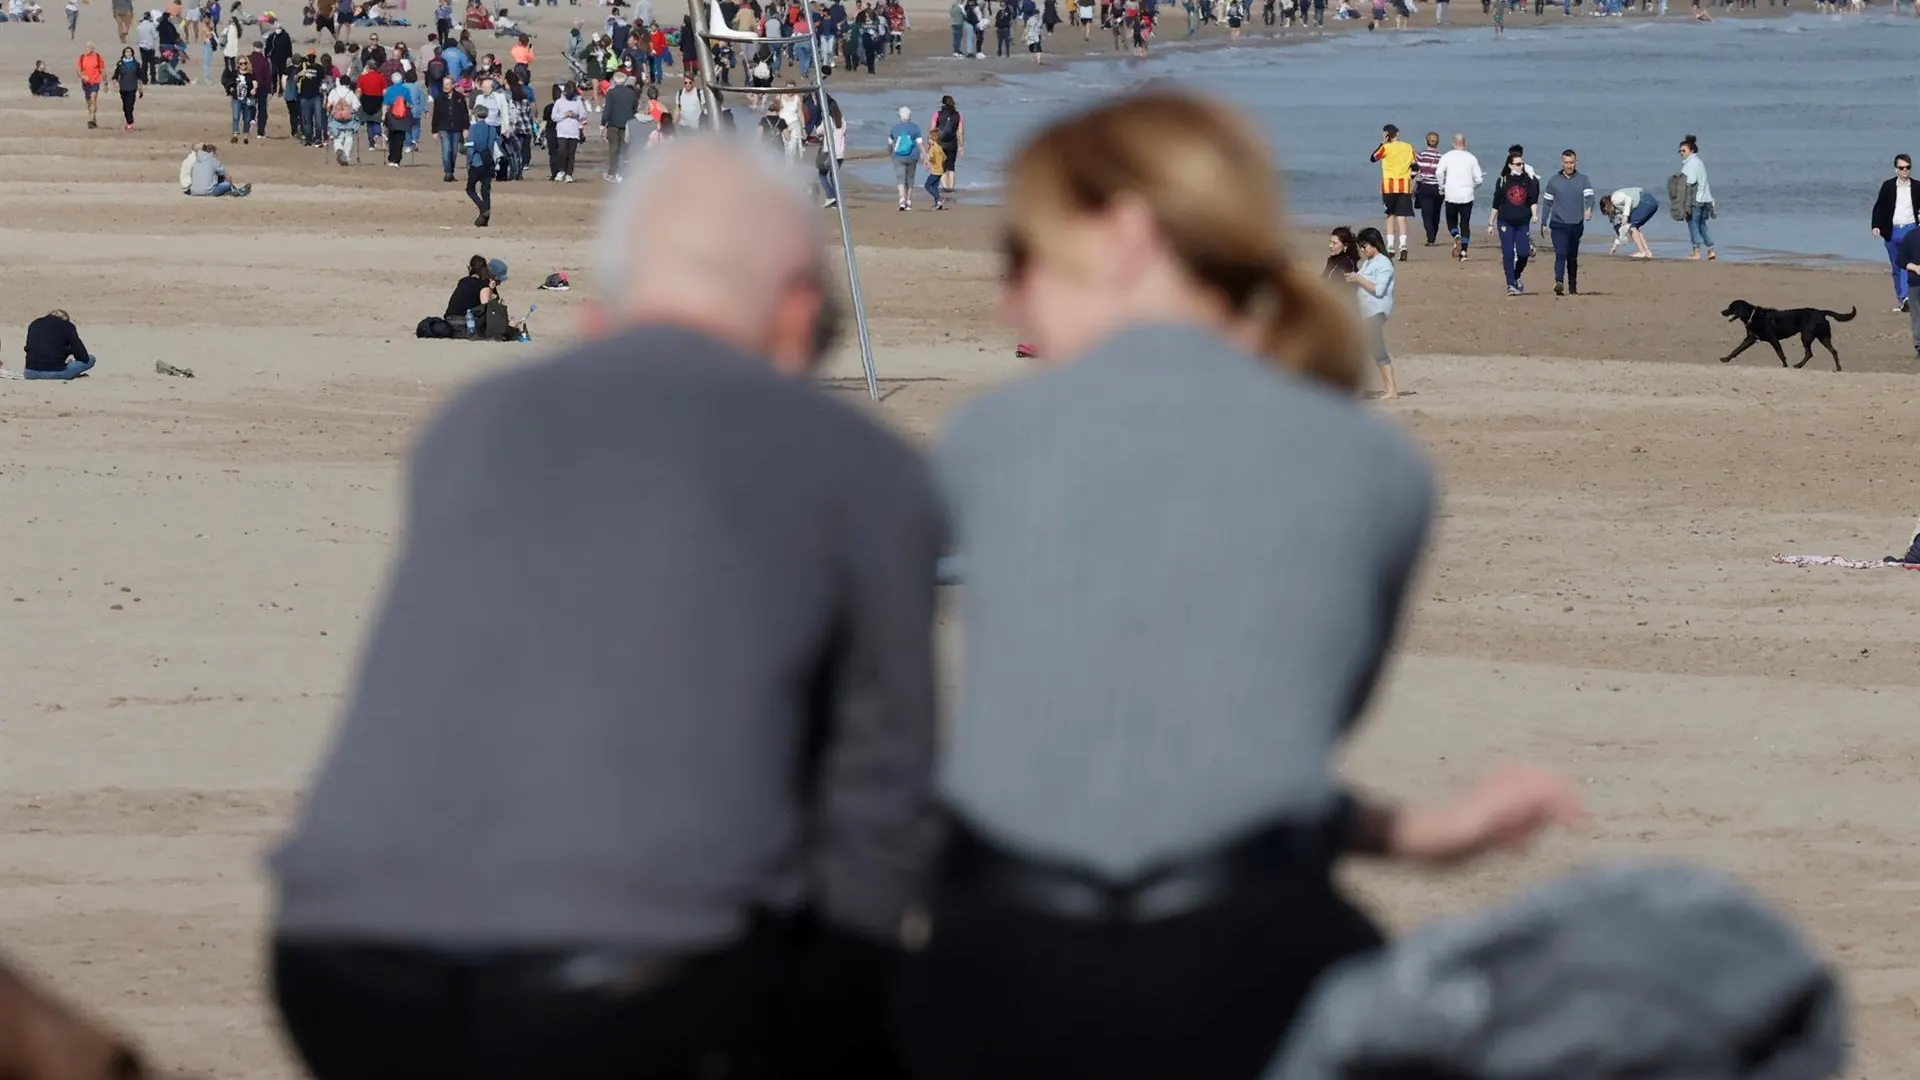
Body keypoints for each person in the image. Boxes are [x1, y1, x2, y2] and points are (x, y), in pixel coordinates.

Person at [893, 91, 1583, 1080]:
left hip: (998, 972)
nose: (1010, 301)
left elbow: (1111, 754)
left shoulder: (986, 445)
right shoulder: (1378, 471)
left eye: (1021, 257)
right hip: (1267, 966)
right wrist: (1419, 833)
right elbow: (1257, 754)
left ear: (1125, 232)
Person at [267, 137, 940, 1080]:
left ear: (597, 316)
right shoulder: (862, 465)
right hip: (621, 983)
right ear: (797, 314)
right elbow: (883, 789)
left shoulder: (475, 425)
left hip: (338, 963)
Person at [1346, 226, 1399, 400]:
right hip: (1366, 312)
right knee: (1377, 350)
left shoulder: (1384, 263)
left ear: (1375, 244)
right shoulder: (1368, 262)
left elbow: (1379, 290)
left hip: (1377, 312)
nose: (1363, 250)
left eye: (1365, 246)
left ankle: (1361, 388)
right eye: (1361, 247)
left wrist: (1357, 279)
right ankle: (1391, 390)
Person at [1539, 147, 1594, 297]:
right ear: (1562, 163)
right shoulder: (1554, 181)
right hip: (1558, 224)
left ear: (1576, 163)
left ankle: (1573, 286)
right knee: (1561, 253)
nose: (1569, 166)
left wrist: (1589, 209)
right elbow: (1547, 203)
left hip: (1576, 224)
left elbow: (1589, 197)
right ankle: (1559, 282)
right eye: (1566, 162)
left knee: (1572, 255)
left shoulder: (1583, 180)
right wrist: (1543, 222)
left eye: (1571, 162)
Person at [1488, 149, 1539, 295]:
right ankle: (1510, 284)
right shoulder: (1503, 181)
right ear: (1510, 165)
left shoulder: (1528, 181)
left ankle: (1516, 275)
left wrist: (1535, 215)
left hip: (1523, 222)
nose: (1521, 166)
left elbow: (1532, 201)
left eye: (1522, 164)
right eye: (1517, 164)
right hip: (1505, 222)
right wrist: (1490, 224)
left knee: (1523, 253)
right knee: (1508, 253)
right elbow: (1496, 203)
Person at [1871, 154, 1917, 312]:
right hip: (1892, 231)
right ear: (1896, 169)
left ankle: (1907, 297)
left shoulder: (1917, 187)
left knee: (1908, 265)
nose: (1905, 170)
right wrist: (1876, 225)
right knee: (1897, 266)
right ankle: (1902, 299)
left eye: (1908, 167)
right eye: (1902, 168)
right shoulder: (1888, 186)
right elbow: (1879, 207)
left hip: (1911, 230)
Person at [1369, 123, 1414, 260]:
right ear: (1398, 134)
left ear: (1386, 134)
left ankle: (1390, 246)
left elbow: (1373, 157)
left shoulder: (1385, 148)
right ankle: (1403, 245)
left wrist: (1382, 143)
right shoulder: (1408, 147)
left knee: (1390, 215)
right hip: (1404, 186)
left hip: (1389, 186)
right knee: (1402, 217)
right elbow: (1415, 164)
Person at [1436, 132, 1482, 262]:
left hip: (1451, 193)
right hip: (1467, 194)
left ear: (1453, 144)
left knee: (1451, 221)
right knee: (1465, 224)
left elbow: (1439, 173)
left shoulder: (1447, 156)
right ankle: (1464, 252)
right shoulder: (1471, 158)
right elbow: (1479, 179)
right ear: (1465, 144)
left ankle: (1456, 236)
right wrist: (1472, 186)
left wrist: (1442, 187)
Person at [20, 310, 96, 381]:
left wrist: (65, 351)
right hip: (55, 373)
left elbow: (28, 348)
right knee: (91, 359)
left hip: (29, 372)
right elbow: (83, 356)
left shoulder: (35, 323)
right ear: (66, 319)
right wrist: (69, 351)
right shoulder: (67, 326)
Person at [1677, 133, 1716, 261]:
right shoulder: (1699, 162)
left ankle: (1696, 251)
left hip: (1695, 200)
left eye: (1684, 150)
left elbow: (1691, 181)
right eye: (1680, 151)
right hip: (1705, 199)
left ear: (1691, 150)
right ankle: (1711, 250)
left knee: (1693, 225)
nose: (1681, 153)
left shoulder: (1691, 164)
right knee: (1702, 226)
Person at [1601, 186, 1659, 260]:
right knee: (1635, 227)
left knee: (1632, 227)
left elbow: (1629, 199)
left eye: (1606, 212)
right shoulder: (1618, 211)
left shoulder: (1615, 198)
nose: (1609, 214)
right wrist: (1614, 246)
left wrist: (1625, 215)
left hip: (1645, 200)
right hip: (1649, 202)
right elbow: (1621, 231)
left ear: (1606, 205)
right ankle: (1647, 252)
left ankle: (1642, 252)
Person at [600, 69, 638, 182]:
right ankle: (624, 172)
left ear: (614, 81)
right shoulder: (631, 93)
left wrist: (603, 124)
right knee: (625, 149)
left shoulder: (611, 93)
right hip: (627, 124)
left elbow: (607, 109)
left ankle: (612, 173)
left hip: (613, 124)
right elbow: (635, 107)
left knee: (613, 148)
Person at [466, 101, 498, 226]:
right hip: (489, 162)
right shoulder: (492, 129)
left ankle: (483, 209)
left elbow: (471, 147)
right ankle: (485, 219)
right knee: (486, 191)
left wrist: (468, 161)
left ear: (476, 115)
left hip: (476, 162)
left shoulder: (473, 128)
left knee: (470, 189)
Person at [548, 81, 586, 182]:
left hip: (573, 131)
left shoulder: (578, 101)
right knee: (561, 151)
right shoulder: (559, 102)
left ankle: (569, 174)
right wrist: (564, 115)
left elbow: (583, 115)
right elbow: (554, 117)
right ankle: (561, 171)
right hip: (562, 131)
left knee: (571, 153)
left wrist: (575, 114)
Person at [889, 104, 923, 211]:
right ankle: (909, 200)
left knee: (900, 178)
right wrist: (925, 155)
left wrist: (891, 153)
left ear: (900, 116)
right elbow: (920, 143)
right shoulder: (915, 128)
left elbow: (890, 143)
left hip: (898, 156)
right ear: (910, 116)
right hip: (913, 156)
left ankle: (901, 200)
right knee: (910, 178)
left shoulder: (895, 128)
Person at [1413, 130, 1443, 248]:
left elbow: (1414, 170)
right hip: (1438, 188)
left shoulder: (1420, 155)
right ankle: (1433, 235)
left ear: (1427, 142)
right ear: (1437, 143)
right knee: (1436, 212)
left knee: (1426, 214)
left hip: (1425, 186)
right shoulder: (1442, 157)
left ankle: (1431, 239)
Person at [186, 142, 251, 196]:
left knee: (216, 178)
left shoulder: (196, 160)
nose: (216, 155)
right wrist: (230, 184)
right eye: (215, 153)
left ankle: (229, 192)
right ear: (212, 152)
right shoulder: (212, 160)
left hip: (193, 191)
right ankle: (236, 191)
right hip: (207, 192)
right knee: (226, 183)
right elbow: (227, 176)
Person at [818, 94, 846, 208]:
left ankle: (831, 196)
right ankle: (836, 201)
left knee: (822, 174)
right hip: (840, 152)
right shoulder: (842, 120)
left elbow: (819, 131)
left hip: (829, 151)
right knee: (834, 177)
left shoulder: (828, 120)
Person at [1896, 225, 1920, 359]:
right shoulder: (1911, 236)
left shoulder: (1910, 235)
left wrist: (1914, 268)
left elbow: (1900, 261)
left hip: (1915, 282)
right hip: (1915, 282)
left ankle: (1919, 345)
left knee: (1917, 316)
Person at [934, 94, 963, 200]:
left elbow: (932, 129)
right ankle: (951, 189)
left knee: (941, 166)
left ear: (943, 103)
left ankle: (945, 188)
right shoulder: (957, 115)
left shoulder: (937, 114)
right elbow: (960, 132)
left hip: (940, 143)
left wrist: (931, 142)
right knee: (951, 166)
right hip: (952, 143)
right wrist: (961, 146)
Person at [381, 69, 412, 165]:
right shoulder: (406, 90)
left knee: (392, 138)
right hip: (403, 116)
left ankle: (391, 159)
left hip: (392, 116)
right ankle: (397, 159)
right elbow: (410, 104)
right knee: (400, 138)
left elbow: (385, 105)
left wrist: (383, 116)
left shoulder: (389, 90)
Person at [112, 46, 142, 129]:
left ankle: (130, 122)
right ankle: (128, 120)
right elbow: (116, 75)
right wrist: (115, 84)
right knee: (125, 106)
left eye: (130, 52)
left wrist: (140, 88)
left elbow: (139, 76)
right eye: (127, 52)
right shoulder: (120, 63)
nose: (128, 53)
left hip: (132, 87)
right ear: (124, 53)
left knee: (130, 105)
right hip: (123, 87)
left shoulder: (136, 64)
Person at [77, 43, 105, 126]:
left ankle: (91, 119)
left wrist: (105, 82)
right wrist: (82, 76)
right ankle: (92, 116)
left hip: (95, 81)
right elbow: (78, 69)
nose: (87, 49)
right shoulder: (82, 57)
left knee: (93, 98)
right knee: (89, 102)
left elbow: (102, 69)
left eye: (89, 47)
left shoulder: (97, 57)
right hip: (86, 83)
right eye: (86, 47)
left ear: (93, 48)